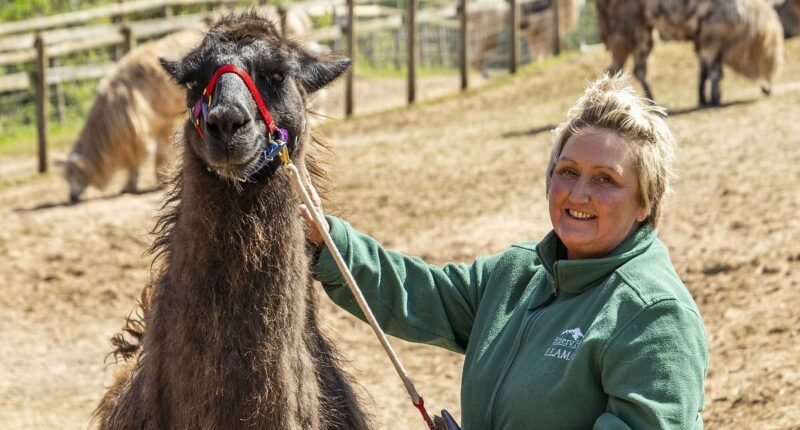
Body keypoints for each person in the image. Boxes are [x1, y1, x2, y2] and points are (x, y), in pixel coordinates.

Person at [301, 73, 708, 429]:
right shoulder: (519, 273)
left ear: (645, 202)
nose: (578, 193)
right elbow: (420, 293)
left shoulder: (655, 316)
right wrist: (329, 240)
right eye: (567, 172)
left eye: (605, 179)